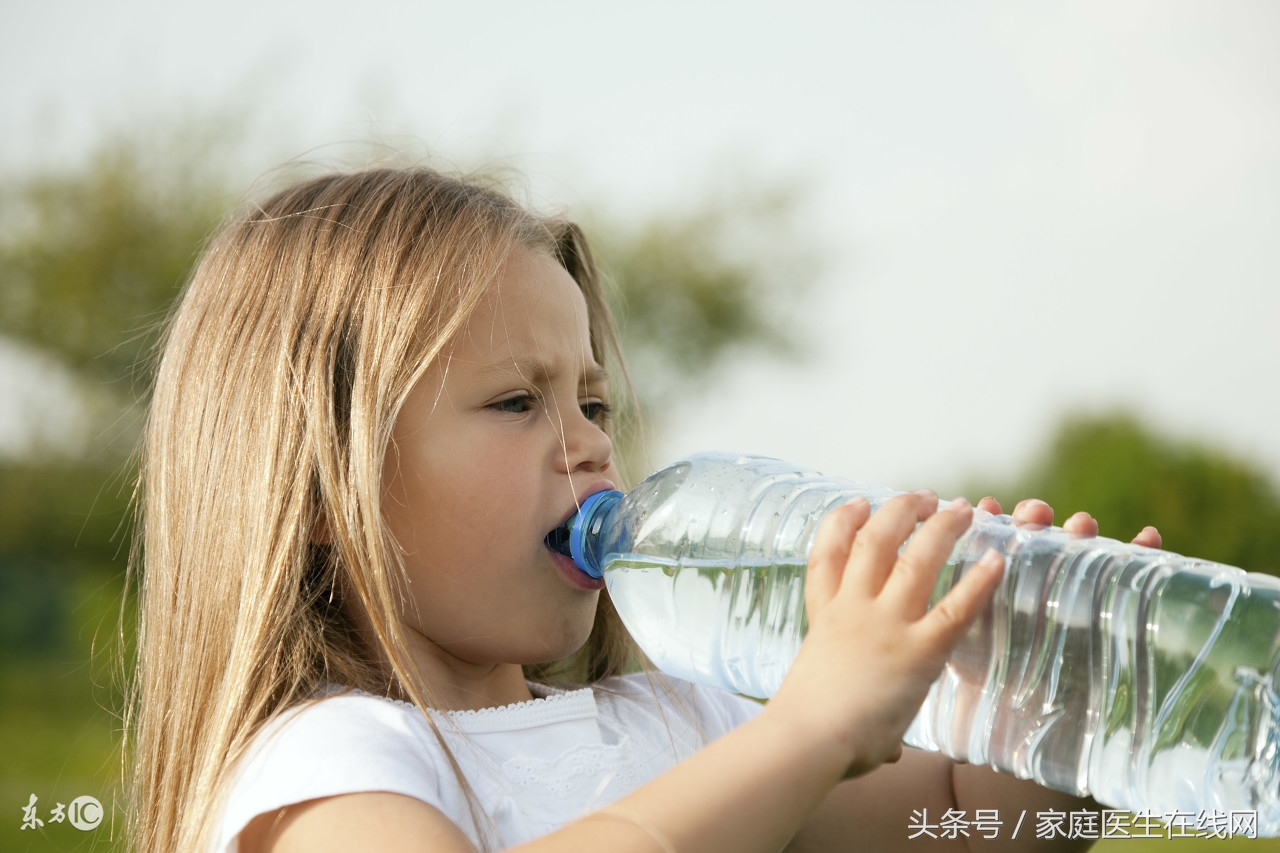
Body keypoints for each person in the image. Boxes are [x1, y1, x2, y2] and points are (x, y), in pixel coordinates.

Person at [127, 165, 1161, 852]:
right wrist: (806, 727)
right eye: (515, 402)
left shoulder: (675, 719)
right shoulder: (329, 766)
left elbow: (956, 826)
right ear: (320, 485)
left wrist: (1048, 707)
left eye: (591, 401)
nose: (584, 441)